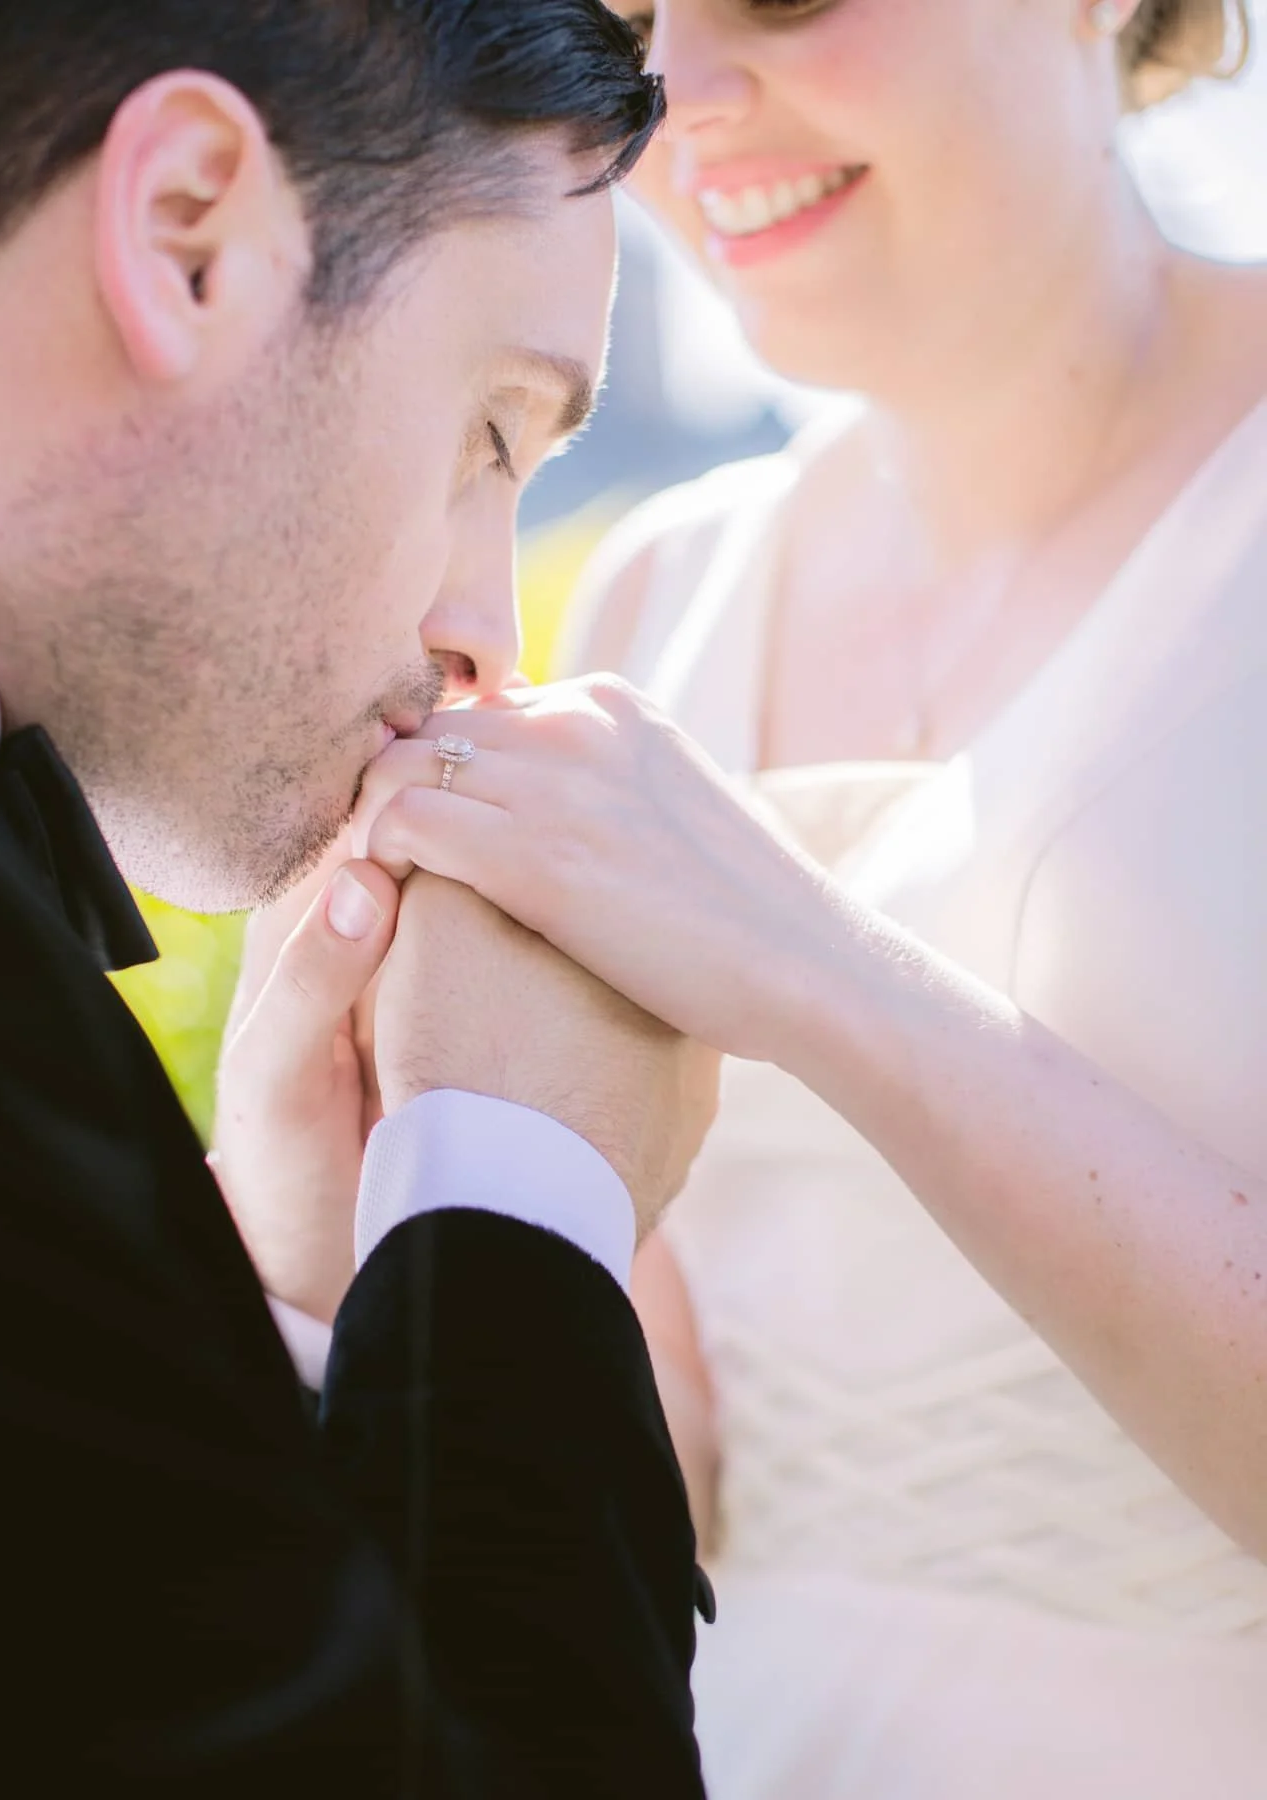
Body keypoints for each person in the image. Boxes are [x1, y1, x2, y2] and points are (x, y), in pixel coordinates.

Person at [352, 0, 1267, 1791]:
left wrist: (808, 969)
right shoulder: (659, 596)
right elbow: (690, 1478)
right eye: (629, 16)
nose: (680, 94)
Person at [0, 3, 724, 1790]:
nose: (488, 638)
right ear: (189, 234)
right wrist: (518, 1195)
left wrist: (322, 1320)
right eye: (490, 429)